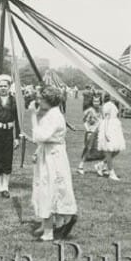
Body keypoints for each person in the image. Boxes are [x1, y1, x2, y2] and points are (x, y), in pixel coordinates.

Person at [28, 85, 78, 242]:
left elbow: (40, 136)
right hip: (50, 153)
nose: (38, 100)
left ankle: (51, 230)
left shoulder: (54, 116)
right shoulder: (52, 114)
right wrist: (38, 151)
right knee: (49, 187)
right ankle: (56, 224)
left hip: (53, 157)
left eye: (40, 98)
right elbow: (45, 140)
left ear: (48, 100)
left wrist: (33, 117)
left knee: (49, 189)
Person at [97, 93, 126, 181]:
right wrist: (105, 133)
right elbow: (105, 119)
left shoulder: (113, 104)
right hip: (109, 128)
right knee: (109, 150)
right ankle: (111, 172)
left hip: (114, 127)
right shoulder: (106, 106)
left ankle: (101, 164)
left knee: (117, 149)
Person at [77, 93, 105, 175]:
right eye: (94, 101)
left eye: (98, 101)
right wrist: (88, 129)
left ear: (100, 102)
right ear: (92, 102)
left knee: (100, 150)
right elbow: (84, 120)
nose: (96, 103)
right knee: (88, 149)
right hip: (91, 132)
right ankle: (80, 166)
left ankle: (101, 167)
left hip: (99, 132)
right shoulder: (89, 110)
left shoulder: (101, 110)